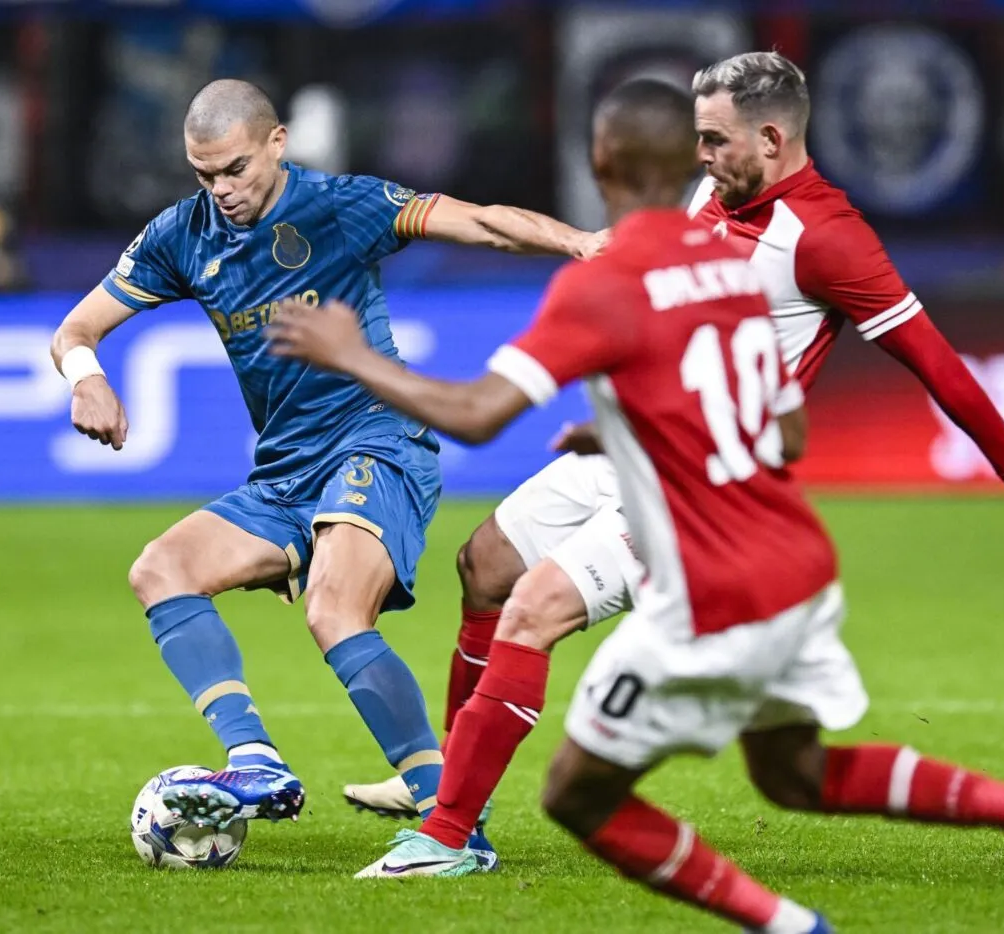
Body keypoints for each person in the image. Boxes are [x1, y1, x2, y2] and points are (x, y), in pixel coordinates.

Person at [267, 77, 1004, 930]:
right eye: (697, 141)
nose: (705, 157)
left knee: (538, 618)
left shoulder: (817, 239)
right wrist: (639, 423)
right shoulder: (712, 233)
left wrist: (351, 353)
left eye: (718, 141)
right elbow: (777, 422)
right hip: (675, 468)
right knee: (490, 567)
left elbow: (479, 415)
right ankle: (455, 786)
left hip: (696, 504)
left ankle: (449, 828)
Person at [49, 79, 603, 851]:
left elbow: (477, 222)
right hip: (284, 471)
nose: (222, 191)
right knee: (159, 569)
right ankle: (255, 762)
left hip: (378, 440)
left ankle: (452, 818)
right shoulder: (182, 234)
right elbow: (76, 327)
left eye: (235, 169)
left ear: (277, 143)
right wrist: (89, 378)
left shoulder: (342, 205)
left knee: (334, 609)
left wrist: (577, 243)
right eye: (204, 174)